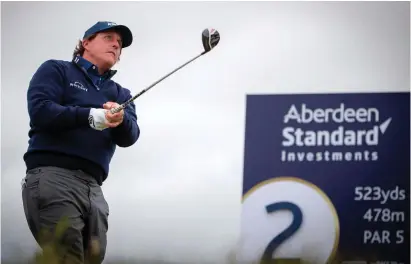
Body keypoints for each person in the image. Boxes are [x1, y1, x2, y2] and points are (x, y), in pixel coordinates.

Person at [21, 21, 140, 264]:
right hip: (54, 176)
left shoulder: (121, 94)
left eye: (119, 44)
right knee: (67, 259)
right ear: (86, 43)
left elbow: (131, 136)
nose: (116, 45)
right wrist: (89, 114)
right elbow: (41, 111)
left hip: (94, 187)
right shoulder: (57, 70)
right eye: (108, 38)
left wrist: (119, 119)